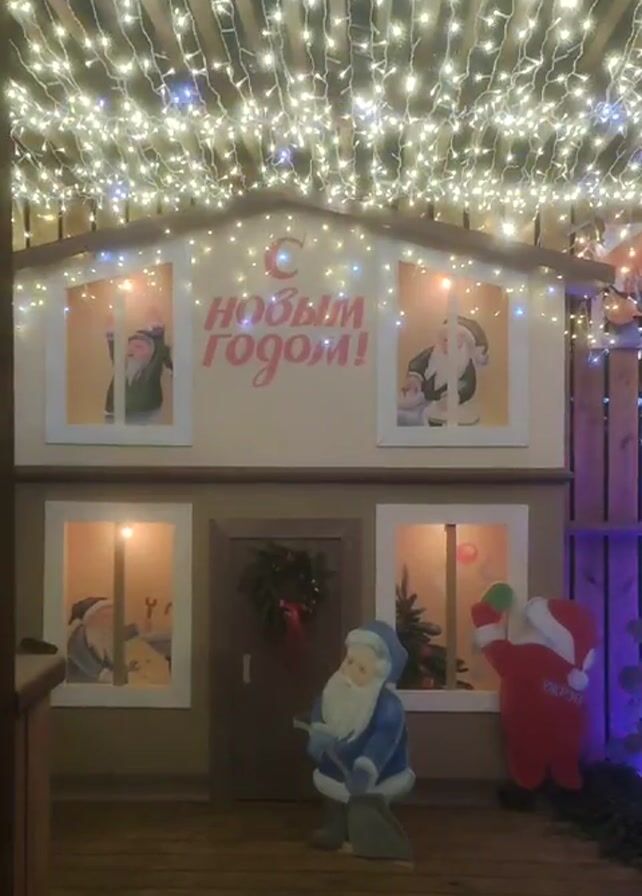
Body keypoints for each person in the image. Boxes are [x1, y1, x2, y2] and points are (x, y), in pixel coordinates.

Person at [471, 584, 597, 809]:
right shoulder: (572, 674)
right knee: (565, 760)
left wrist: (486, 615)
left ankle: (527, 788)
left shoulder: (528, 657)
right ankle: (569, 787)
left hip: (528, 729)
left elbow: (495, 648)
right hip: (568, 735)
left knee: (528, 758)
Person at [304, 621, 414, 860]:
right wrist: (318, 736)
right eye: (350, 661)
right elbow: (318, 714)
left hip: (379, 771)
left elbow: (384, 738)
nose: (351, 671)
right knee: (334, 795)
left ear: (378, 674)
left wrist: (366, 769)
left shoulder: (387, 706)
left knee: (367, 804)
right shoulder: (333, 692)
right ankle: (335, 827)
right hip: (336, 767)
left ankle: (370, 833)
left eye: (362, 669)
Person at [398, 315, 488, 426]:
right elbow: (417, 364)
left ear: (463, 342)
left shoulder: (465, 364)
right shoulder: (432, 354)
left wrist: (455, 396)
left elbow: (467, 385)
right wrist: (414, 379)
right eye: (445, 340)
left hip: (444, 406)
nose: (448, 344)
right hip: (421, 398)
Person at [105, 308, 173, 424]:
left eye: (139, 347)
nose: (131, 351)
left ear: (150, 353)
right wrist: (111, 333)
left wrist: (157, 331)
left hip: (146, 416)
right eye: (130, 346)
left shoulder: (151, 368)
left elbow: (159, 353)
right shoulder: (123, 366)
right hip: (115, 415)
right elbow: (114, 349)